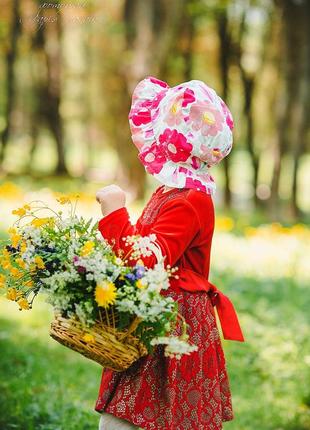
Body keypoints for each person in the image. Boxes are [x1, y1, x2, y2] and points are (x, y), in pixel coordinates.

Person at [95, 76, 245, 430]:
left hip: (175, 324)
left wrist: (116, 214)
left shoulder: (189, 200)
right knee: (125, 417)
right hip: (156, 314)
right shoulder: (171, 191)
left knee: (153, 418)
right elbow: (143, 248)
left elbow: (147, 262)